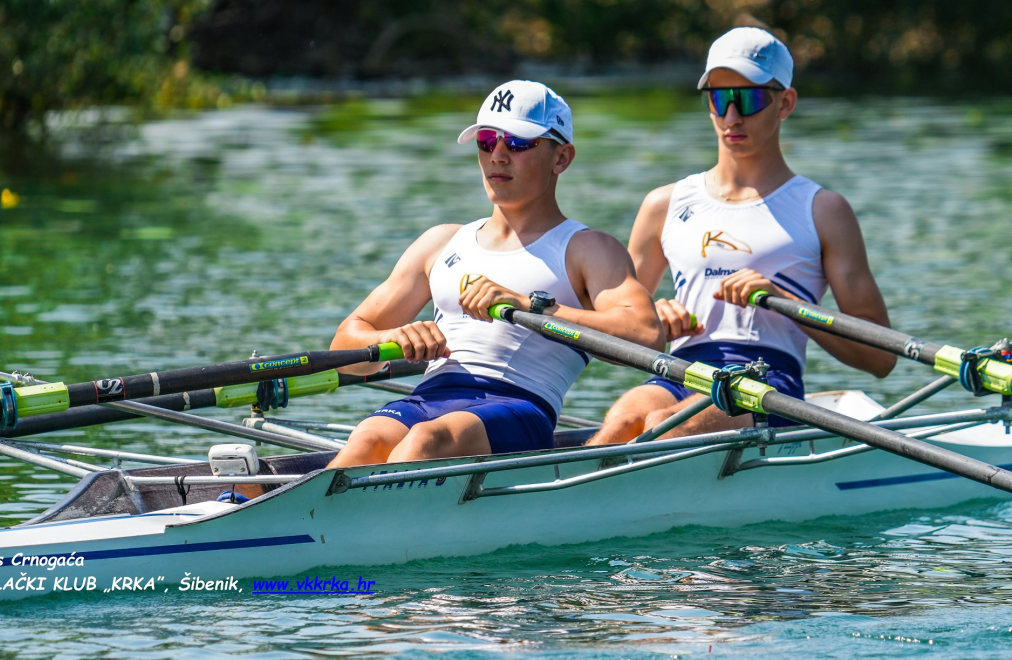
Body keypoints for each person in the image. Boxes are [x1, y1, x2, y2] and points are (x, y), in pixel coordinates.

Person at [327, 80, 665, 468]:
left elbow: (647, 337)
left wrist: (530, 307)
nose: (498, 156)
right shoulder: (440, 242)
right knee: (366, 439)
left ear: (562, 158)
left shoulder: (587, 249)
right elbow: (344, 355)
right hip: (429, 396)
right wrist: (393, 335)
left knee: (428, 439)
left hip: (517, 407)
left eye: (518, 143)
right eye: (487, 141)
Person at [588, 27, 897, 445]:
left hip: (767, 382)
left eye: (748, 99)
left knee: (665, 426)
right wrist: (653, 327)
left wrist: (788, 304)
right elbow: (607, 343)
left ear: (784, 103)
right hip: (680, 372)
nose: (731, 117)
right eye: (719, 98)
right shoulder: (664, 204)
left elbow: (881, 358)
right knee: (620, 426)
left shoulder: (823, 210)